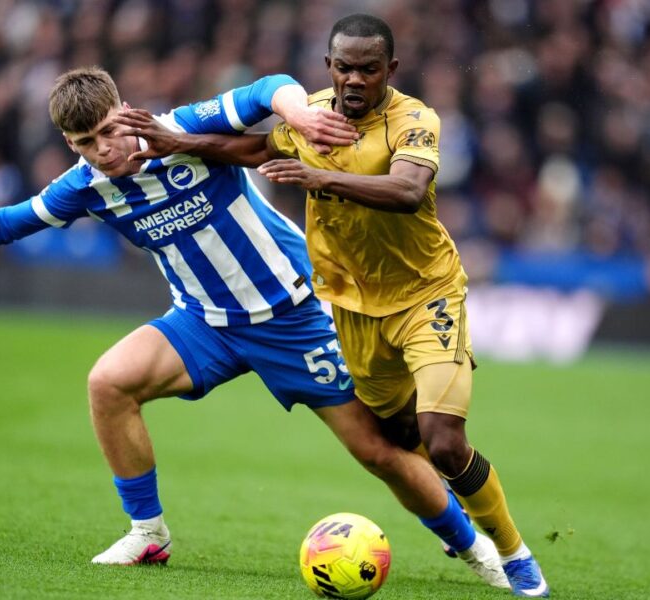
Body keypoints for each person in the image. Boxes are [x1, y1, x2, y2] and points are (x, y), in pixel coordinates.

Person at [0, 66, 509, 587]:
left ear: (124, 111)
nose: (104, 151)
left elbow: (262, 90)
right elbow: (7, 221)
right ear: (71, 145)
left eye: (109, 133)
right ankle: (149, 535)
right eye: (86, 145)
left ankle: (473, 545)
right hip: (206, 322)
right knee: (108, 382)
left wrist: (298, 113)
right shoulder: (86, 186)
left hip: (297, 317)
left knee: (378, 453)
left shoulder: (180, 131)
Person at [113, 14, 550, 598]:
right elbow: (250, 148)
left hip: (427, 294)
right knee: (396, 435)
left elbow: (408, 191)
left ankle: (515, 554)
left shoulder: (415, 120)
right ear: (328, 67)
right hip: (350, 305)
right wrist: (178, 143)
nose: (354, 80)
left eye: (368, 69)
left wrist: (317, 177)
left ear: (389, 70)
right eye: (343, 67)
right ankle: (457, 516)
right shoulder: (312, 116)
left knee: (443, 439)